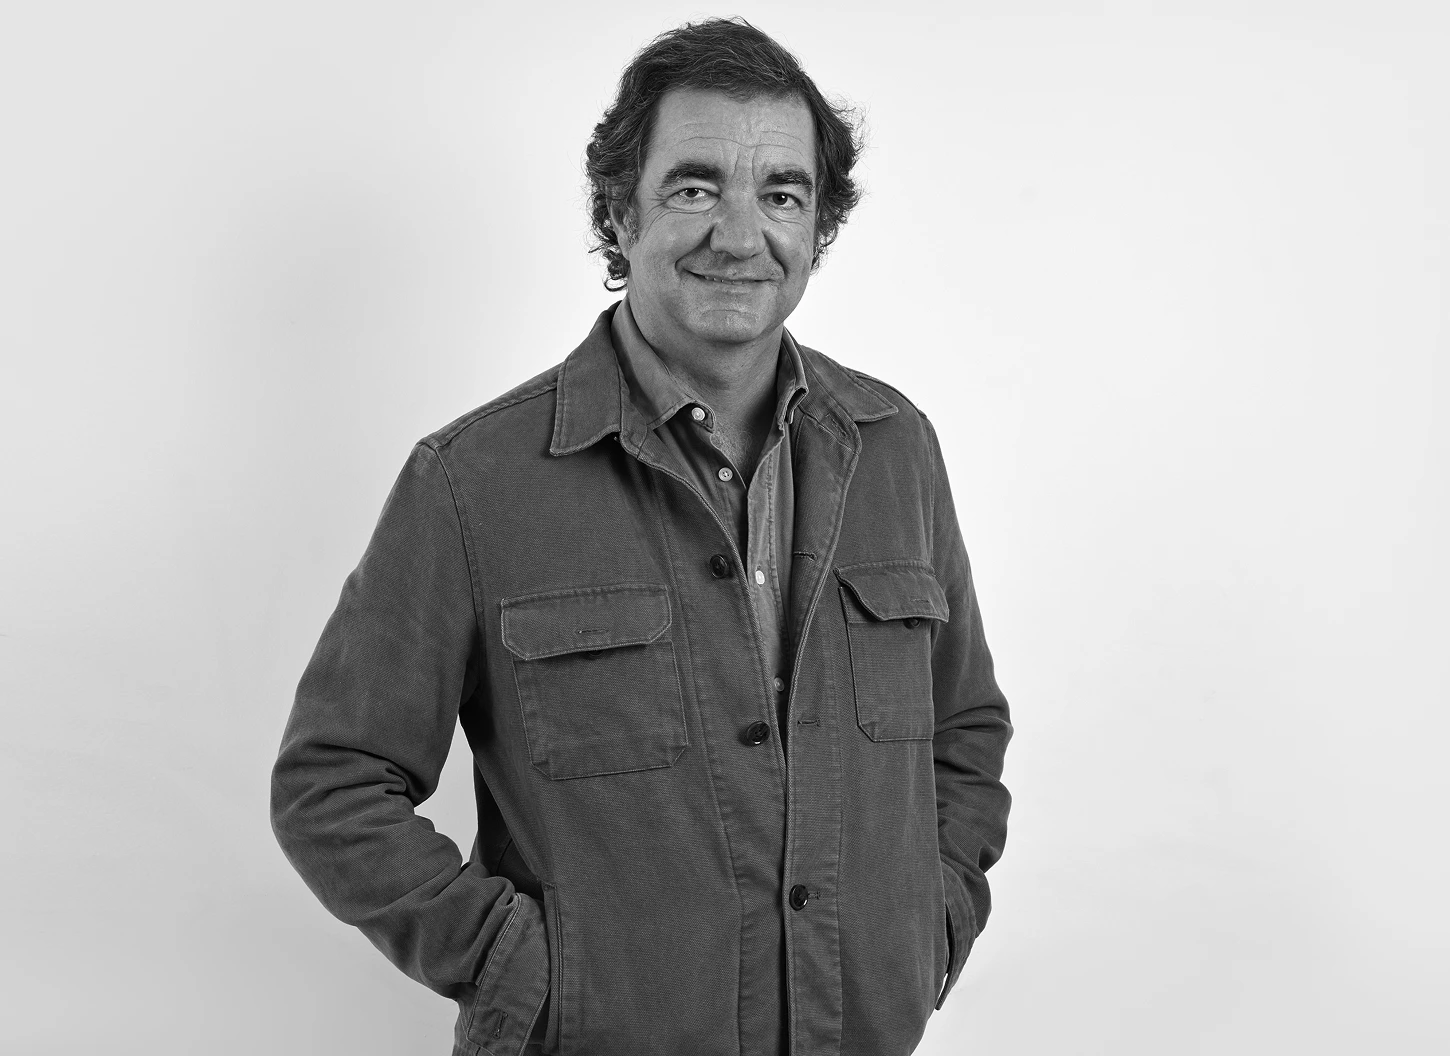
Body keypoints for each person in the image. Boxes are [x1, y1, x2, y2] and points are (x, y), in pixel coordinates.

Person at [270, 16, 1012, 1056]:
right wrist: (522, 970)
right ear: (619, 212)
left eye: (782, 194)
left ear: (819, 228)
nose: (741, 236)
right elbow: (332, 783)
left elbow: (963, 729)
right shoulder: (474, 482)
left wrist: (928, 927)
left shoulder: (896, 450)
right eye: (696, 188)